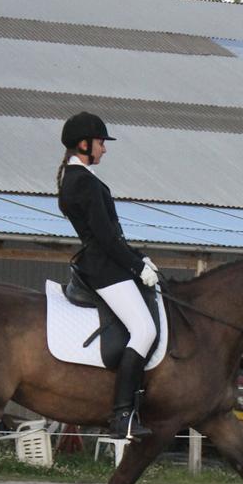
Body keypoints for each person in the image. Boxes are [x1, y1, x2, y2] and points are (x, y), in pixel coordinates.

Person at [57, 111, 159, 442]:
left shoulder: (76, 179)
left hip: (105, 262)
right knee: (144, 331)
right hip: (104, 269)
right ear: (84, 144)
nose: (104, 149)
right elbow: (103, 236)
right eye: (101, 143)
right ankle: (122, 415)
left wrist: (139, 256)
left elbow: (111, 235)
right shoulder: (83, 182)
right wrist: (134, 266)